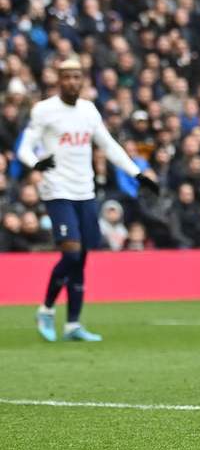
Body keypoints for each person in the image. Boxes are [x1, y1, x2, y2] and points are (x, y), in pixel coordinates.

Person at [19, 56, 159, 342]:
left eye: (76, 76)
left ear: (82, 80)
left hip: (85, 191)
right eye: (66, 77)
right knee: (71, 252)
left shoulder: (89, 111)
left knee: (80, 257)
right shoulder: (44, 111)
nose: (72, 81)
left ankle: (72, 324)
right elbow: (24, 148)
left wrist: (137, 173)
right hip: (57, 190)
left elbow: (108, 145)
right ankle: (46, 309)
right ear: (58, 80)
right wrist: (36, 164)